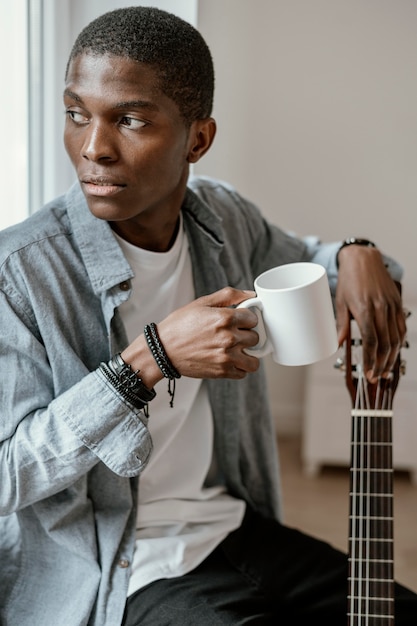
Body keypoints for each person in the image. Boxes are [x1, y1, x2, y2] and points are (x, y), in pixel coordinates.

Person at [0, 6, 414, 625]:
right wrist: (148, 359)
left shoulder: (221, 217)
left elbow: (314, 266)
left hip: (231, 527)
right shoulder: (20, 271)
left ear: (197, 138)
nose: (93, 147)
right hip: (116, 565)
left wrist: (359, 251)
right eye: (77, 114)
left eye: (130, 120)